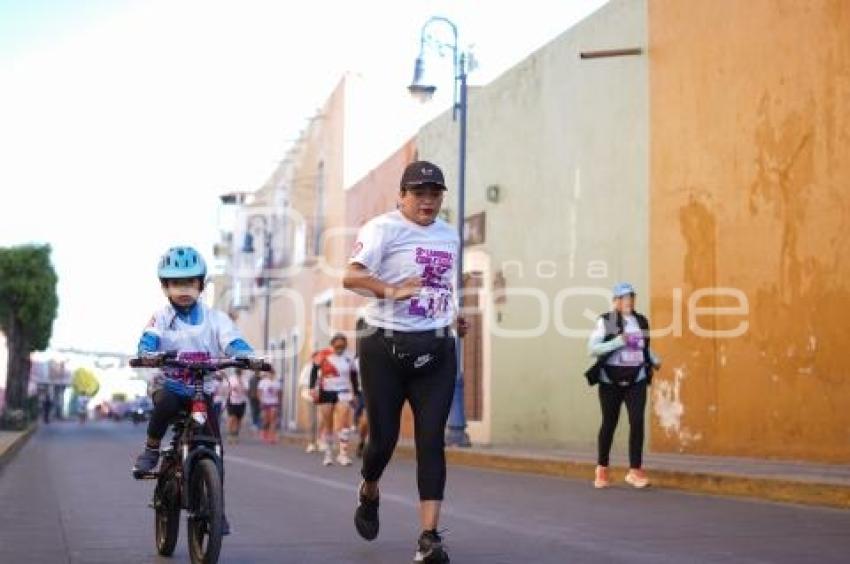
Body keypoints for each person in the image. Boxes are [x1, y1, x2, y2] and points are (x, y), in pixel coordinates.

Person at [343, 160, 465, 563]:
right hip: (383, 349)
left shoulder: (450, 235)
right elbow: (352, 276)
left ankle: (429, 537)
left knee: (432, 440)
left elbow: (442, 282)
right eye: (418, 193)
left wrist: (452, 313)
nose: (427, 200)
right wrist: (391, 290)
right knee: (384, 440)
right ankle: (369, 487)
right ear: (402, 196)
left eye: (434, 193)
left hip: (436, 348)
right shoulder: (383, 229)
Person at [132, 245, 257, 535]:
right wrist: (147, 352)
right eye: (176, 283)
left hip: (204, 388)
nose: (184, 289)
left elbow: (233, 341)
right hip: (172, 385)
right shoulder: (161, 317)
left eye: (190, 282)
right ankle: (152, 449)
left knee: (215, 445)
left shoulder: (216, 319)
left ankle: (216, 509)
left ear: (201, 284)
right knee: (164, 404)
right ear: (165, 287)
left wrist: (248, 355)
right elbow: (149, 340)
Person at [586, 282, 662, 490]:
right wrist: (618, 341)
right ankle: (602, 469)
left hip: (636, 378)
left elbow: (643, 348)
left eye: (631, 297)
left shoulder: (640, 321)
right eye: (624, 298)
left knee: (637, 420)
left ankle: (635, 471)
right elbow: (592, 350)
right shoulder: (609, 321)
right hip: (610, 379)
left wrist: (654, 359)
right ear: (616, 301)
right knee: (609, 422)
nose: (629, 301)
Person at [309, 333, 360, 467]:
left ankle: (343, 454)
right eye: (337, 346)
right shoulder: (324, 354)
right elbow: (314, 370)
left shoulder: (350, 356)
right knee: (328, 424)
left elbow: (354, 375)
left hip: (343, 391)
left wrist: (355, 393)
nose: (340, 349)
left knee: (344, 422)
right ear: (332, 345)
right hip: (327, 392)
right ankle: (328, 453)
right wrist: (312, 388)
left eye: (342, 346)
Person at [258, 370, 281, 444]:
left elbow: (279, 393)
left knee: (273, 420)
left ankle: (272, 437)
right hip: (265, 402)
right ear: (267, 374)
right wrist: (261, 401)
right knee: (266, 420)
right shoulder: (263, 382)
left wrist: (279, 402)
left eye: (272, 373)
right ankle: (264, 432)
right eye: (270, 373)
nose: (271, 375)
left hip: (274, 402)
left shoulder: (277, 382)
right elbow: (259, 392)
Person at [226, 369, 248, 443]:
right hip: (232, 400)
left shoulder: (245, 379)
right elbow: (228, 388)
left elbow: (247, 389)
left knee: (239, 420)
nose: (239, 373)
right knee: (232, 418)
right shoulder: (231, 378)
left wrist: (241, 383)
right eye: (238, 372)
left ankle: (235, 434)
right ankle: (230, 434)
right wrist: (232, 389)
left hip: (241, 401)